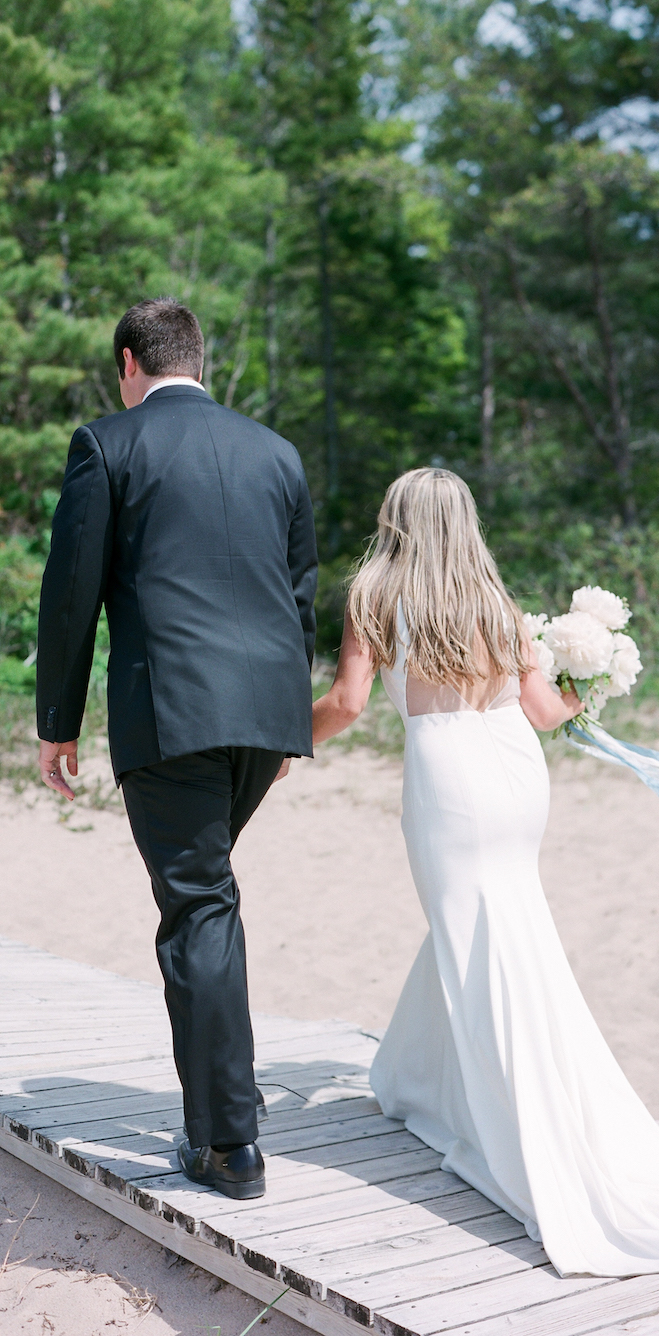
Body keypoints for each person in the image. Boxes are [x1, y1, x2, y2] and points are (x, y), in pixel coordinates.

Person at [312, 467, 659, 1277]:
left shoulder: (375, 594)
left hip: (449, 782)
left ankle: (520, 1123)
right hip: (516, 779)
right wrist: (584, 678)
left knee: (474, 930)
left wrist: (285, 741)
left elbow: (346, 703)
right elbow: (547, 712)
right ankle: (413, 1076)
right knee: (491, 926)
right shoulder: (492, 596)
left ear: (397, 521)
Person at [35, 298, 317, 1201]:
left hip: (173, 713)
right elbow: (301, 591)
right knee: (208, 898)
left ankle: (229, 1146)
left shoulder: (107, 445)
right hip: (265, 720)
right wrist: (287, 728)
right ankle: (230, 1095)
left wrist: (57, 722)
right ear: (201, 359)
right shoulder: (277, 451)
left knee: (197, 906)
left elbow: (71, 591)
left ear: (129, 362)